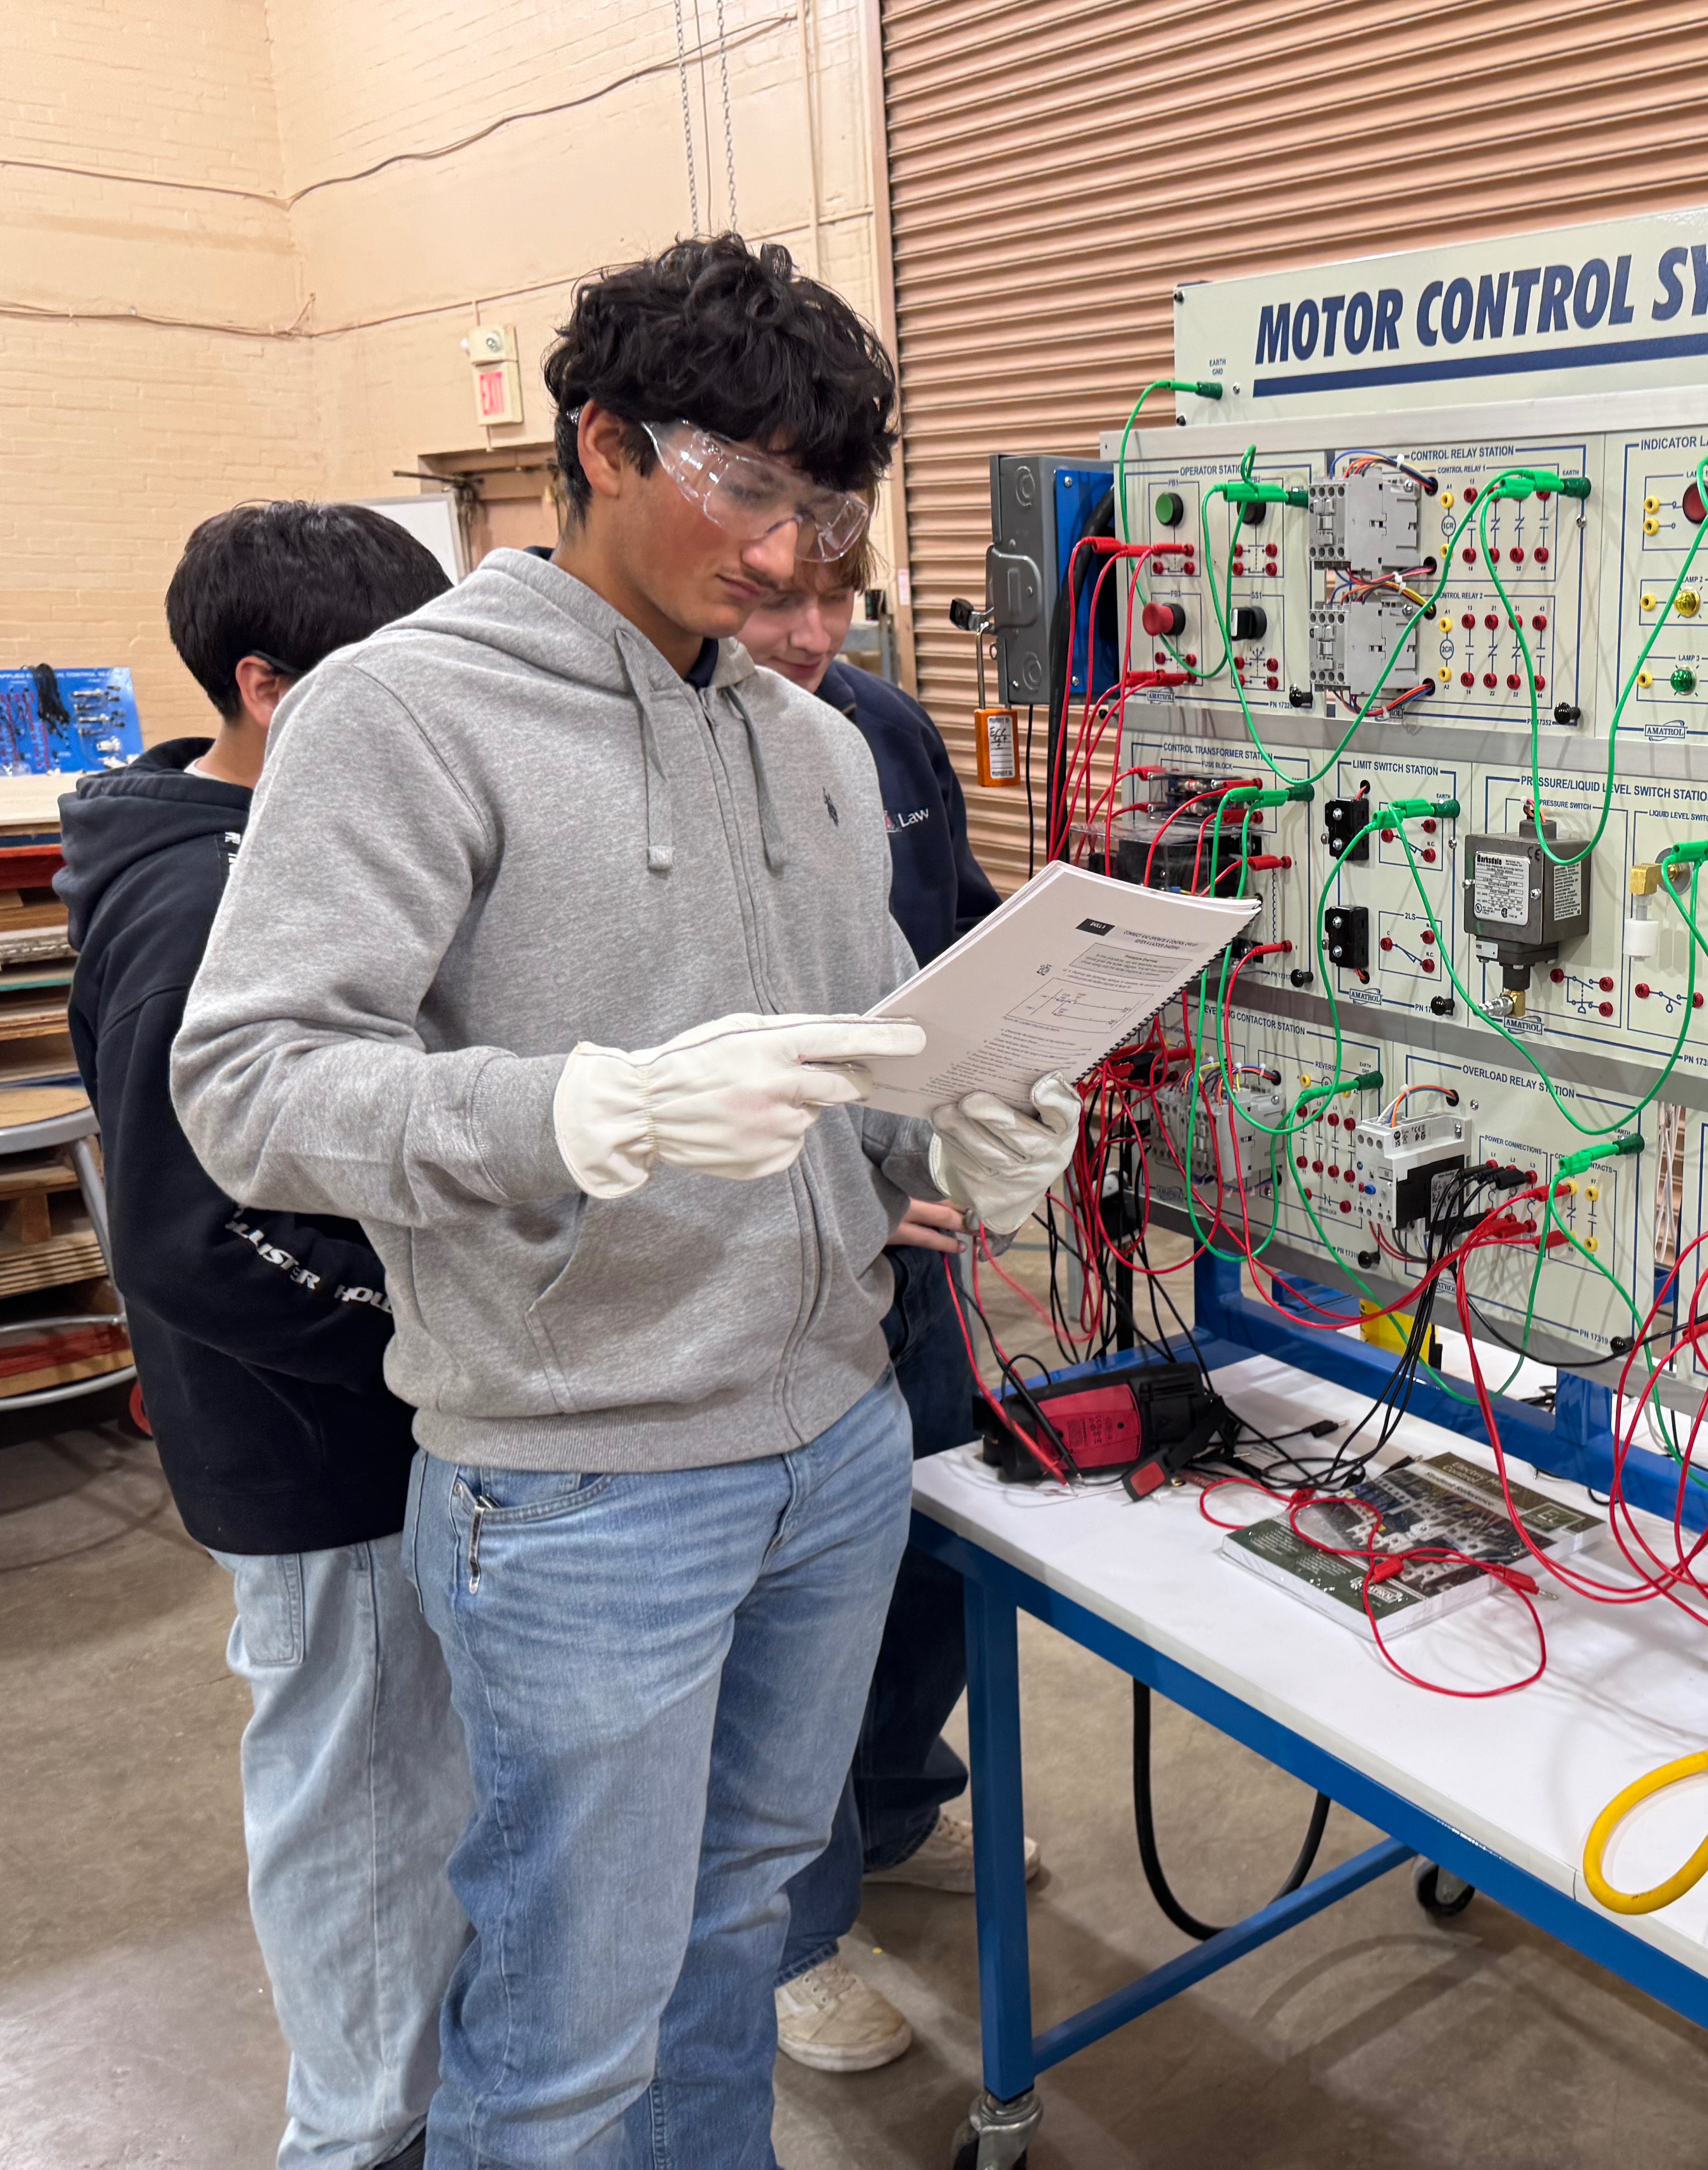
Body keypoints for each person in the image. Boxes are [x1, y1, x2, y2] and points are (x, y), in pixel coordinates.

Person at [169, 236, 1080, 2169]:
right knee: (569, 2017)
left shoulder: (817, 747)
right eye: (743, 488)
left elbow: (862, 1075)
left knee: (736, 1929)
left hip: (831, 1442)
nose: (789, 556)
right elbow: (244, 1087)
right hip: (582, 1482)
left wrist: (961, 1134)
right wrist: (580, 1111)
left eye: (826, 508)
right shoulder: (404, 719)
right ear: (598, 441)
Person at [58, 501, 459, 2170]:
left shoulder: (284, 844)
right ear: (272, 687)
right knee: (358, 1806)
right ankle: (357, 2137)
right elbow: (195, 1231)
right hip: (319, 1450)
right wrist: (422, 1339)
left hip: (372, 1424)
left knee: (409, 1792)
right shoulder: (193, 908)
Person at [735, 545, 1016, 2072]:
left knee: (933, 1561)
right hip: (790, 1278)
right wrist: (846, 1178)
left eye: (839, 601)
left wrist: (997, 1089)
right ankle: (799, 1934)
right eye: (781, 603)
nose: (813, 635)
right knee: (793, 1637)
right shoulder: (700, 759)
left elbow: (952, 946)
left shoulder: (881, 732)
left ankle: (900, 1802)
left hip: (916, 1254)